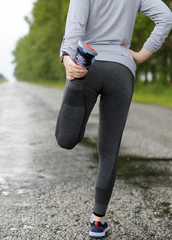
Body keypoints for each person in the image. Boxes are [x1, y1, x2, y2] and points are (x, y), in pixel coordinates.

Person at [55, 0, 172, 238]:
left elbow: (75, 27)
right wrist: (141, 55)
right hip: (121, 68)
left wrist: (67, 58)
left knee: (65, 139)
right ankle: (98, 221)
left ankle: (74, 116)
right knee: (109, 148)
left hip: (85, 66)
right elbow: (166, 17)